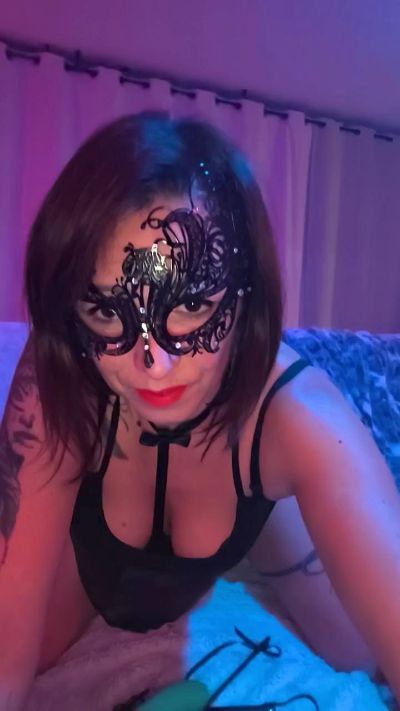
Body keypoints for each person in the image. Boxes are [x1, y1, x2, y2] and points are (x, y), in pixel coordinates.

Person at [0, 112, 399, 709]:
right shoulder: (59, 377)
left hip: (255, 465)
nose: (153, 363)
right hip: (90, 554)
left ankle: (262, 515)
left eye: (188, 304)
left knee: (357, 652)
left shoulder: (299, 414)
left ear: (246, 292)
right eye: (107, 312)